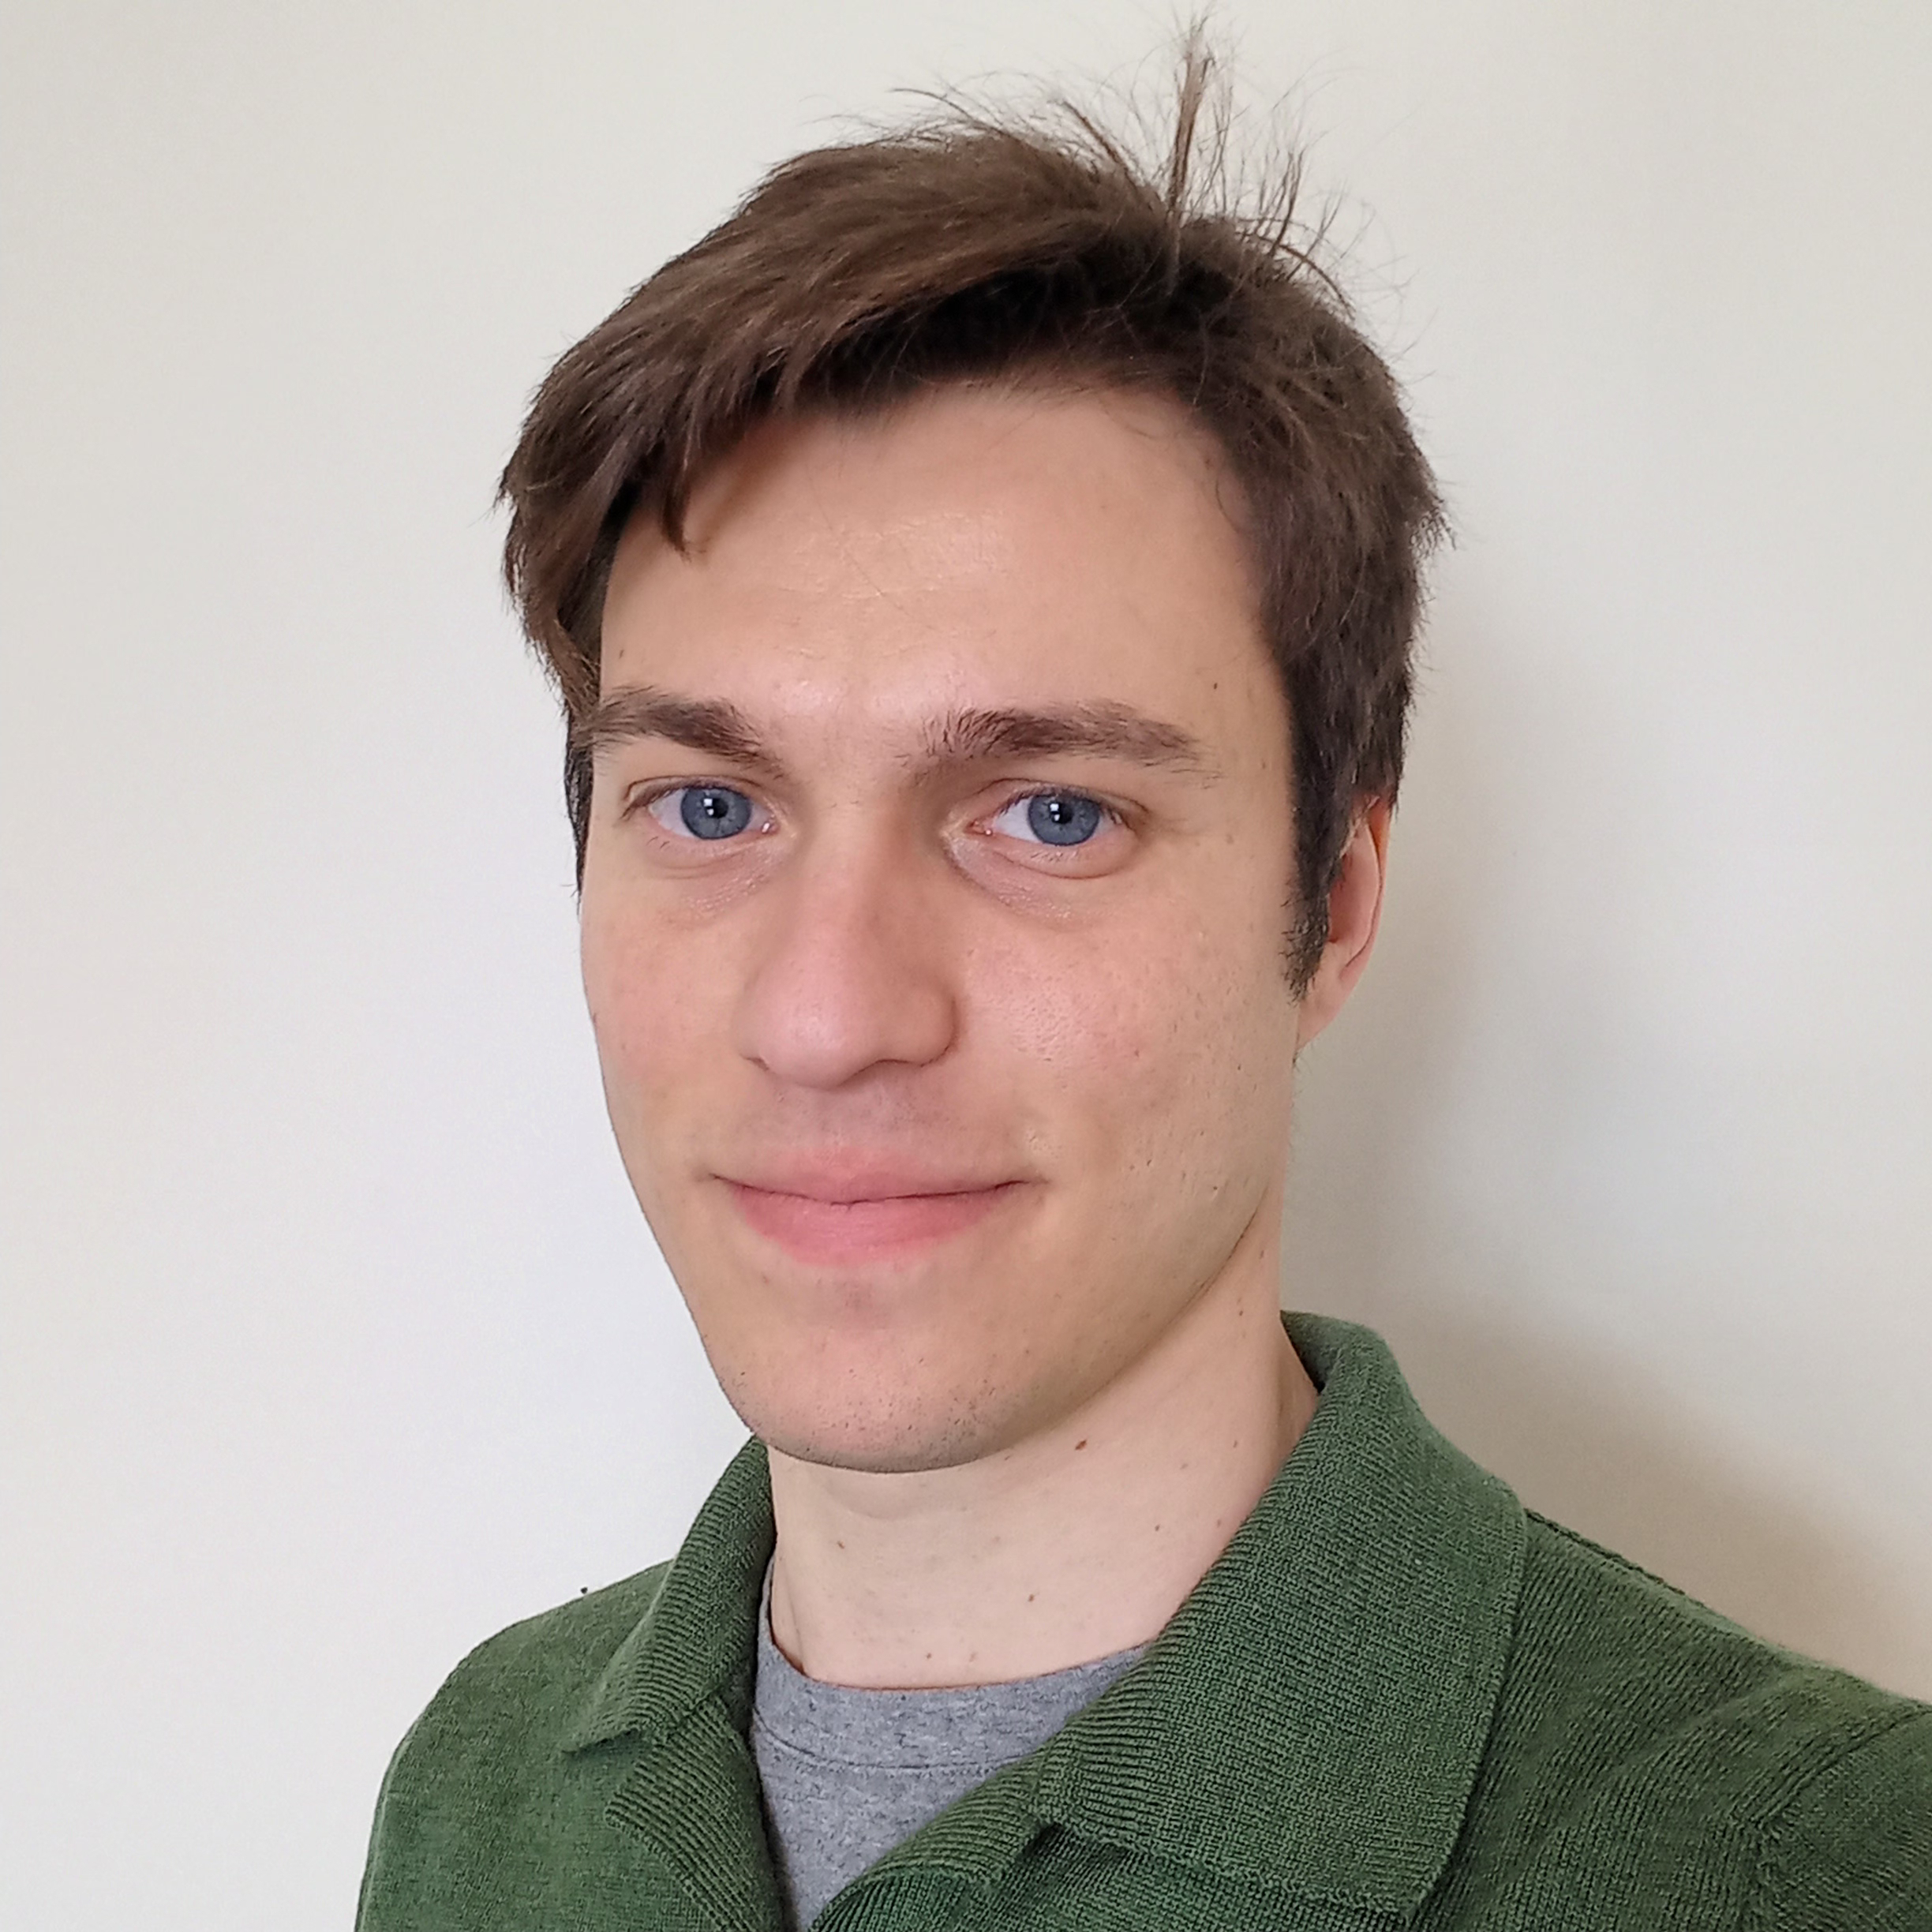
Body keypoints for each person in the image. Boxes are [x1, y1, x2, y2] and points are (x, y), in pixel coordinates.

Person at [355, 48, 1931, 1932]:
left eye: (1051, 813)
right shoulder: (484, 1781)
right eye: (710, 805)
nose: (827, 1017)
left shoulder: (1820, 1871)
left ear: (1331, 906)